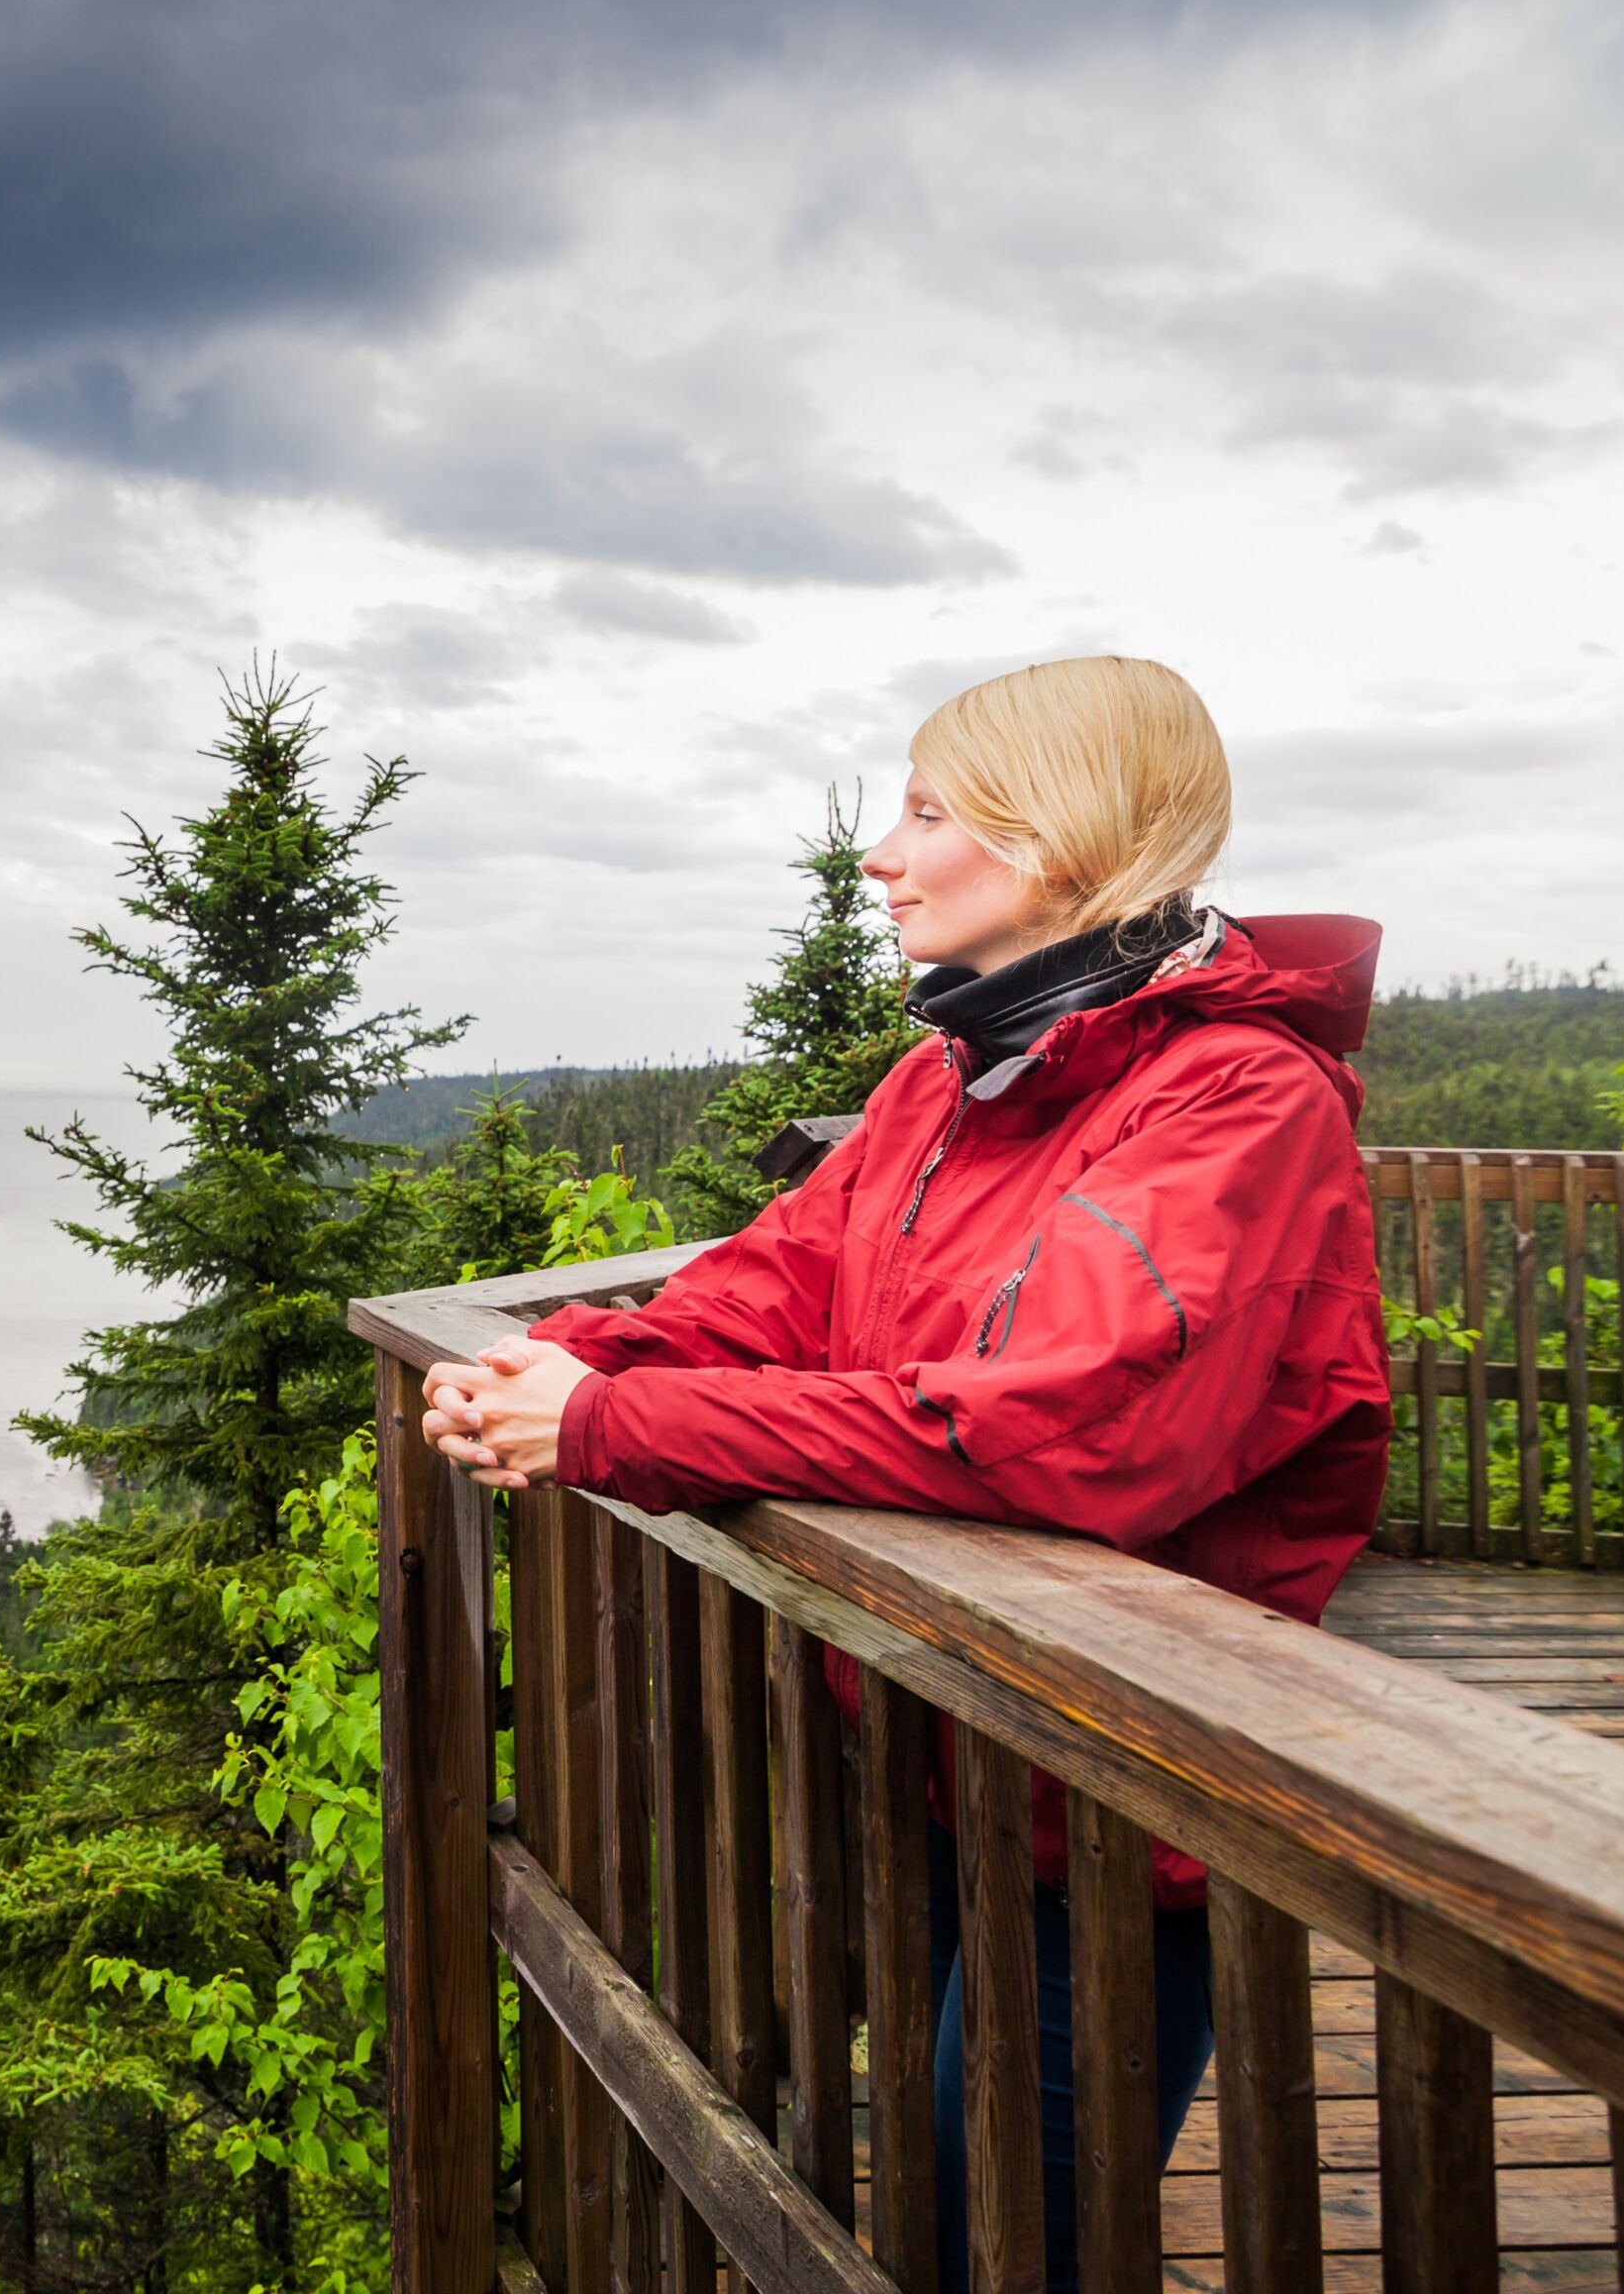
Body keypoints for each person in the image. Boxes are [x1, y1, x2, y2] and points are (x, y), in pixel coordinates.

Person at [417, 655, 1390, 2294]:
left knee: (1012, 2234)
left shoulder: (1237, 1101)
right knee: (934, 2185)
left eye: (927, 810)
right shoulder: (955, 1075)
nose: (882, 851)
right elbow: (783, 1281)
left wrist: (612, 1430)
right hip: (949, 1754)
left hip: (1121, 1786)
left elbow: (1067, 1430)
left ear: (1062, 840)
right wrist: (577, 1361)